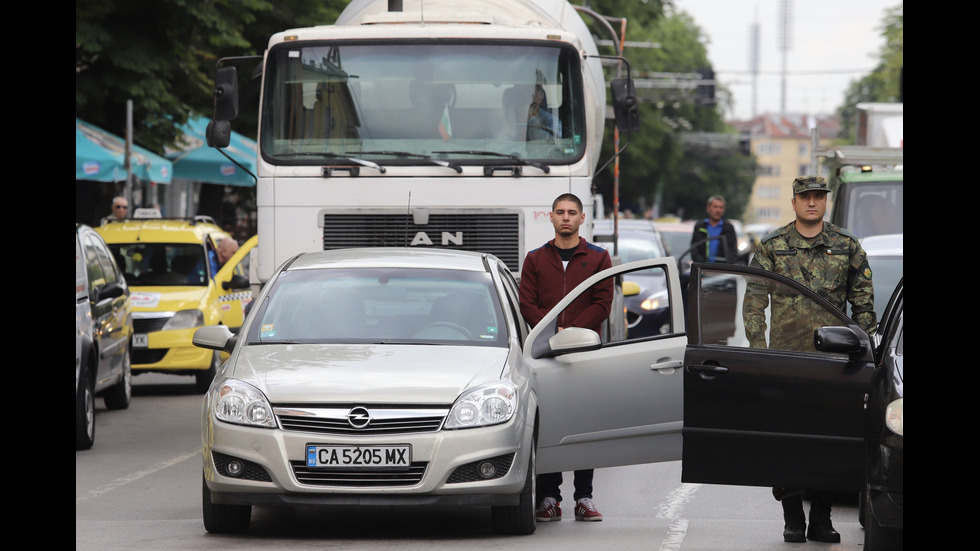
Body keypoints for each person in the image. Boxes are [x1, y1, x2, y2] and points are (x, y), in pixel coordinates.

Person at [743, 175, 876, 544]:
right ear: (794, 202)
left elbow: (863, 303)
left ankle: (821, 517)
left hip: (835, 362)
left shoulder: (846, 245)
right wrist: (759, 352)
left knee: (828, 440)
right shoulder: (773, 246)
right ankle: (792, 518)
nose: (812, 203)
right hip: (786, 360)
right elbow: (755, 300)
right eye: (806, 197)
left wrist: (864, 351)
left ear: (825, 202)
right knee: (787, 439)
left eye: (818, 197)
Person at [518, 193, 613, 523]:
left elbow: (602, 304)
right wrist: (550, 333)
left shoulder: (599, 258)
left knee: (583, 425)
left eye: (572, 212)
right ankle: (549, 497)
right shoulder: (535, 259)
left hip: (584, 351)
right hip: (545, 354)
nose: (566, 218)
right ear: (552, 217)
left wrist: (569, 332)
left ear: (582, 218)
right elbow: (526, 303)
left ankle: (584, 498)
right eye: (560, 212)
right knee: (550, 425)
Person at [690, 195, 738, 263]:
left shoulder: (728, 228)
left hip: (722, 270)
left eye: (721, 207)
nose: (718, 210)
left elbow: (733, 251)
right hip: (702, 269)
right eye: (715, 207)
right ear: (708, 208)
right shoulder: (700, 226)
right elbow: (694, 248)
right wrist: (701, 264)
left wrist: (728, 266)